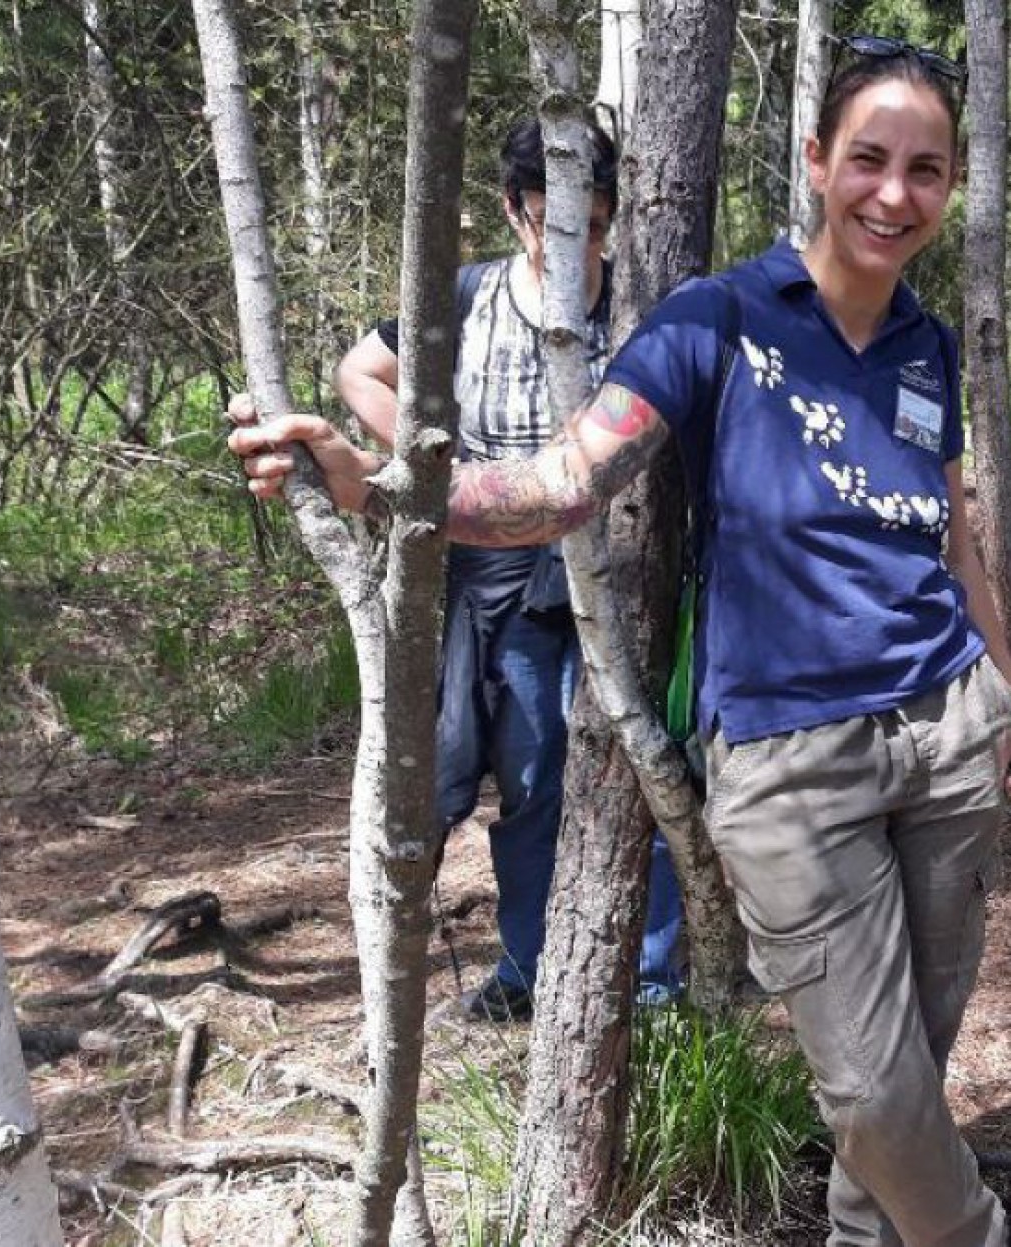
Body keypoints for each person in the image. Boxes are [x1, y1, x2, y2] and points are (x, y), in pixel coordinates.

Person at [231, 37, 1011, 1247]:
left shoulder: (925, 345)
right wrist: (379, 484)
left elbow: (954, 541)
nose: (895, 193)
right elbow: (565, 483)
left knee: (914, 1066)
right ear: (817, 159)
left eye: (926, 169)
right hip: (790, 760)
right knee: (873, 1088)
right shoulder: (715, 318)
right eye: (869, 159)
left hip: (948, 735)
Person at [335, 117, 683, 1022]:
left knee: (638, 765)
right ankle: (532, 965)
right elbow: (359, 372)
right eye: (546, 219)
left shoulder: (639, 309)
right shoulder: (467, 296)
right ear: (514, 208)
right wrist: (433, 467)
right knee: (529, 776)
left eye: (594, 224)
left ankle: (650, 978)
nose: (570, 241)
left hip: (623, 566)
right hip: (499, 572)